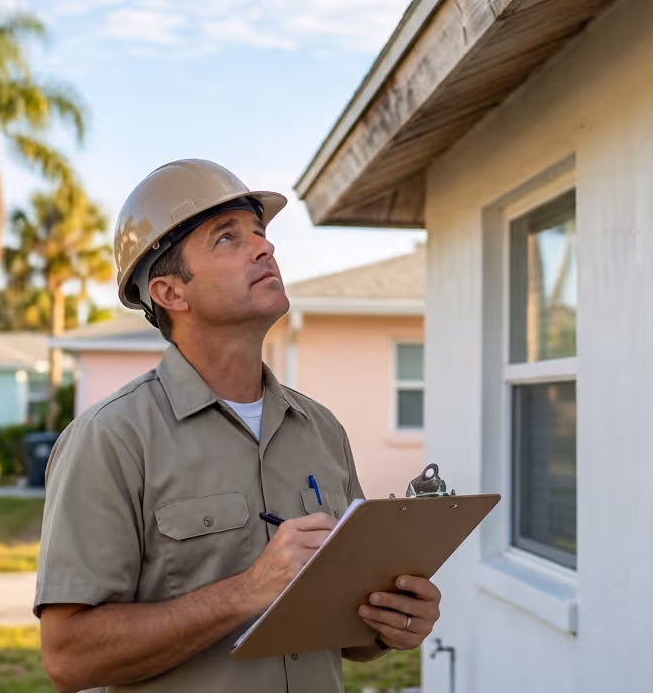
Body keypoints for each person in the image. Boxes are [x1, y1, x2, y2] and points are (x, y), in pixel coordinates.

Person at [36, 159, 441, 693]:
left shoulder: (319, 429)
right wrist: (247, 590)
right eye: (227, 238)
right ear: (169, 293)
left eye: (260, 233)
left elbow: (352, 638)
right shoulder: (111, 439)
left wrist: (392, 620)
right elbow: (69, 657)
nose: (264, 248)